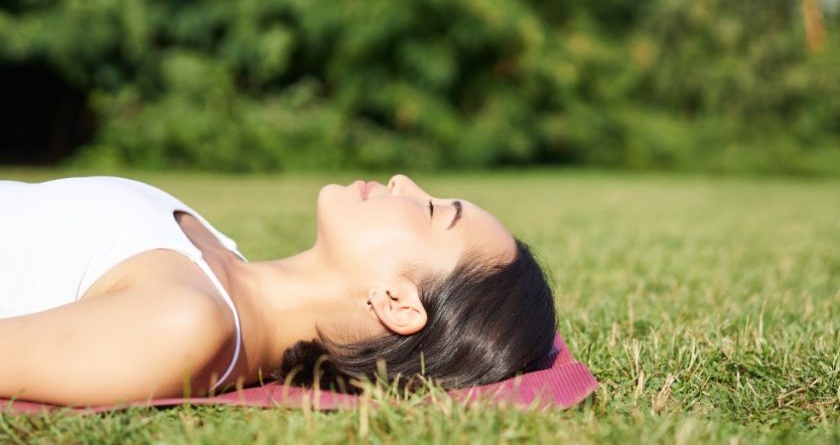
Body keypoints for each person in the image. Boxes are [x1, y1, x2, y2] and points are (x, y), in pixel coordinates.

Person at [0, 174, 556, 406]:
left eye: (434, 210)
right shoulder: (223, 263)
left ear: (397, 302)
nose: (404, 183)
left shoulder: (185, 325)